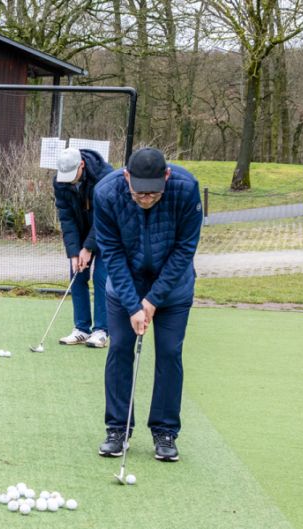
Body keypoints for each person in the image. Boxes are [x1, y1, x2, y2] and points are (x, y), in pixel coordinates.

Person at [94, 147, 202, 463]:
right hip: (125, 285)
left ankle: (165, 431)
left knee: (169, 352)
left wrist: (153, 300)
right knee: (119, 350)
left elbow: (185, 250)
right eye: (138, 192)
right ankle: (118, 428)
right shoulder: (106, 193)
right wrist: (133, 305)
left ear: (166, 178)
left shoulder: (186, 188)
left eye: (153, 192)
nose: (145, 198)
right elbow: (111, 253)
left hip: (174, 288)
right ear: (126, 177)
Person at [53, 147, 114, 348]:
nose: (69, 180)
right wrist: (74, 252)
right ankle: (81, 329)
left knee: (101, 277)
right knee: (77, 273)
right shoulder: (60, 181)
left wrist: (88, 248)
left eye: (73, 175)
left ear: (81, 165)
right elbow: (67, 218)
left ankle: (101, 331)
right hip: (81, 231)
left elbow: (104, 218)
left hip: (109, 231)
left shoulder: (105, 177)